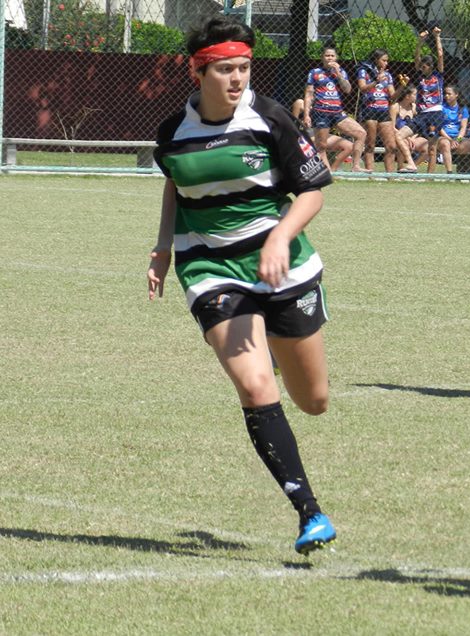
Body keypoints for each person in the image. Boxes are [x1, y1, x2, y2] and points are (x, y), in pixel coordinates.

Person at [148, 15, 337, 556]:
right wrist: (164, 247)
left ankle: (275, 351)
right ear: (198, 72)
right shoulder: (173, 133)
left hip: (286, 269)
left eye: (245, 68)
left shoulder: (270, 118)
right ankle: (309, 512)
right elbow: (175, 184)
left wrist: (279, 239)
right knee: (256, 389)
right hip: (210, 270)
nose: (237, 79)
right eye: (226, 69)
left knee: (315, 400)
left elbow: (313, 193)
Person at [303, 45, 368, 173]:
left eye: (332, 55)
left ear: (336, 57)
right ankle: (327, 172)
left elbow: (348, 90)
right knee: (321, 145)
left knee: (361, 133)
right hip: (321, 112)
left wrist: (338, 74)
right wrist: (306, 115)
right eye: (327, 55)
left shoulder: (341, 72)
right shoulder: (315, 72)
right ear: (322, 57)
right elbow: (309, 94)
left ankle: (356, 166)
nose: (330, 58)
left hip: (337, 113)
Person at [356, 48, 397, 173]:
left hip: (384, 110)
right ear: (376, 60)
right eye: (384, 60)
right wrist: (376, 81)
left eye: (387, 61)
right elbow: (362, 88)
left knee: (391, 146)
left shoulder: (388, 75)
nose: (386, 63)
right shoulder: (364, 71)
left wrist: (403, 87)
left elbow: (393, 97)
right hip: (369, 110)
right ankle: (370, 174)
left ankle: (390, 176)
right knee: (370, 145)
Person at [414, 26, 445, 173]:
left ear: (431, 67)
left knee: (432, 147)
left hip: (435, 111)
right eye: (422, 66)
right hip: (422, 113)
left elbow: (440, 55)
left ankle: (430, 175)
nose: (423, 68)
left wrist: (437, 37)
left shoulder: (437, 76)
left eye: (425, 66)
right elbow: (416, 56)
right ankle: (411, 167)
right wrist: (420, 41)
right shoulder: (419, 76)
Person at [294, 97, 353, 170]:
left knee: (349, 146)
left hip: (321, 134)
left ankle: (333, 170)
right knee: (320, 143)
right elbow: (293, 125)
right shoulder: (300, 103)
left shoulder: (327, 105)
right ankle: (328, 171)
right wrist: (302, 124)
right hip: (307, 135)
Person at [390, 84, 423, 172]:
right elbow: (392, 127)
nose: (416, 96)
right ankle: (400, 167)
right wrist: (407, 137)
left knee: (427, 146)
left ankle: (413, 166)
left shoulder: (414, 107)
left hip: (412, 137)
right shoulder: (395, 107)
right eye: (414, 94)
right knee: (404, 141)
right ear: (407, 96)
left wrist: (413, 137)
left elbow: (418, 126)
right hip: (397, 135)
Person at [437, 84, 469, 173]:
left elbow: (463, 127)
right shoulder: (441, 108)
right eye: (445, 94)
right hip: (444, 137)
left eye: (449, 94)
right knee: (445, 143)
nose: (446, 96)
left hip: (457, 138)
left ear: (456, 95)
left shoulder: (463, 109)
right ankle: (450, 173)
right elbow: (439, 127)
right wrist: (450, 140)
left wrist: (458, 140)